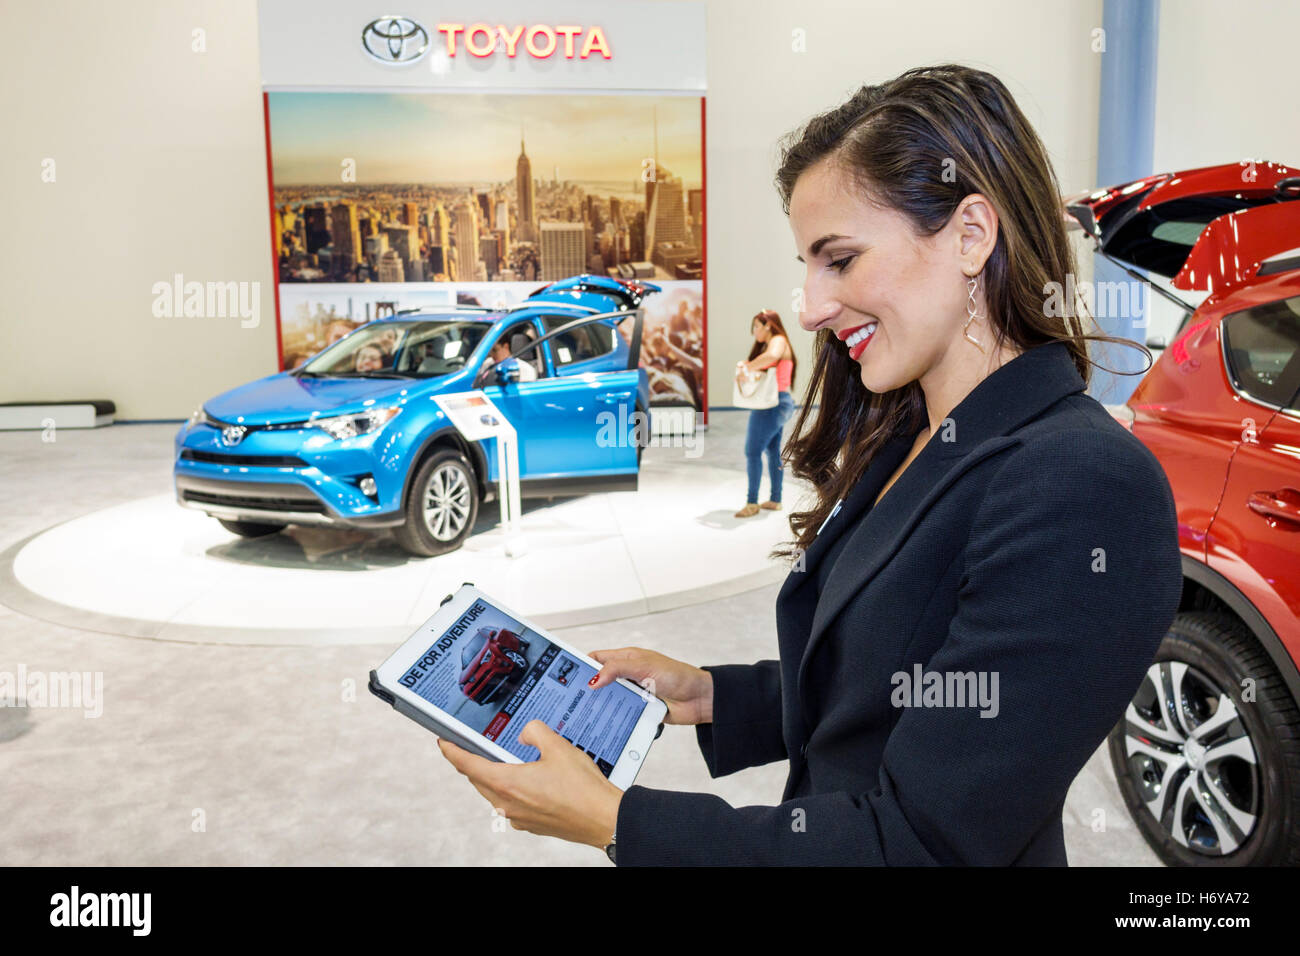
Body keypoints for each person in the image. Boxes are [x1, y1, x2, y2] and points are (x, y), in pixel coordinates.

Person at [436, 64, 1183, 866]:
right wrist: (711, 694)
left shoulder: (1085, 488)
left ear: (971, 235)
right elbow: (897, 678)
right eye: (808, 266)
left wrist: (621, 821)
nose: (812, 306)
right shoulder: (908, 431)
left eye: (840, 260)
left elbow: (924, 844)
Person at [734, 310, 797, 518]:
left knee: (752, 452)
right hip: (780, 402)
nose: (754, 332)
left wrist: (747, 369)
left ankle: (752, 503)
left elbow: (772, 356)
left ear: (768, 325)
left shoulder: (778, 340)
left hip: (772, 404)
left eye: (756, 327)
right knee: (772, 451)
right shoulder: (776, 342)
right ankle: (775, 499)